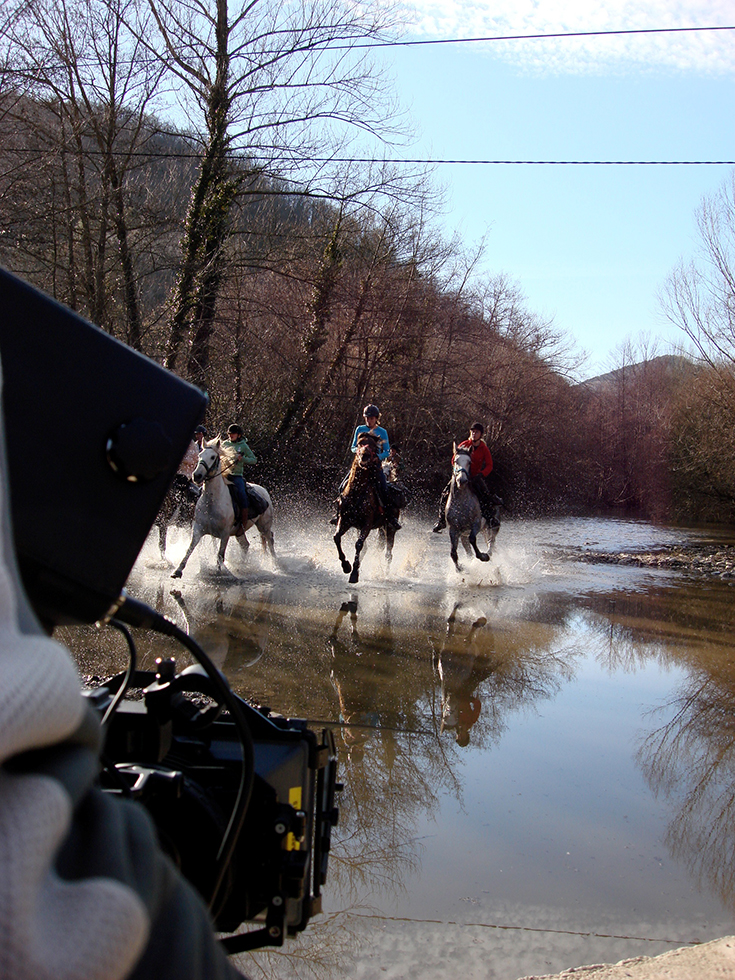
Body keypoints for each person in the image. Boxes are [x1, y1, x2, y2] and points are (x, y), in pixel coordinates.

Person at [333, 405, 400, 530]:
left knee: (384, 489)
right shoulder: (360, 429)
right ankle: (338, 514)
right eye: (367, 418)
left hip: (375, 467)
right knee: (342, 486)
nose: (369, 420)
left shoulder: (382, 432)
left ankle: (390, 517)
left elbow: (387, 451)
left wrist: (378, 457)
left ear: (376, 418)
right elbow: (353, 446)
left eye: (371, 418)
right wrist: (357, 452)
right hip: (359, 466)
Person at [432, 422, 498, 532]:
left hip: (475, 477)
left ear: (480, 434)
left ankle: (490, 519)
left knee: (485, 495)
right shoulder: (464, 444)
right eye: (472, 431)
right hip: (461, 476)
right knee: (445, 493)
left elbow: (490, 465)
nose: (474, 433)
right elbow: (454, 459)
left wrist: (481, 474)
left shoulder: (484, 448)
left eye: (476, 432)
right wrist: (458, 471)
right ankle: (441, 520)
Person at [222, 423, 257, 528]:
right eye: (229, 434)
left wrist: (243, 459)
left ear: (239, 435)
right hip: (224, 474)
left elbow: (254, 460)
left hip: (236, 475)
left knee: (242, 493)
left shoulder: (243, 446)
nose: (231, 435)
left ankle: (243, 522)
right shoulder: (224, 444)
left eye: (233, 433)